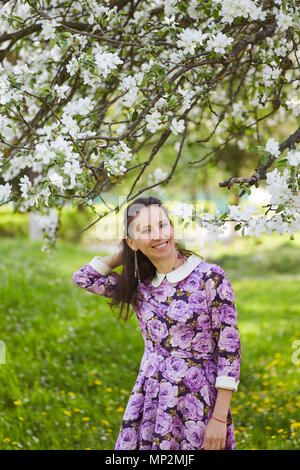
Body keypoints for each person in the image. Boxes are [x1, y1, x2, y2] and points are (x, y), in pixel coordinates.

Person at [72, 196, 242, 450]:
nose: (158, 235)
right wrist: (128, 253)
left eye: (163, 225)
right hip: (151, 400)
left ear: (172, 228)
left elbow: (229, 351)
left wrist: (218, 418)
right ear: (131, 241)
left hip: (198, 399)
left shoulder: (210, 277)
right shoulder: (141, 285)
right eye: (146, 230)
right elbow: (84, 278)